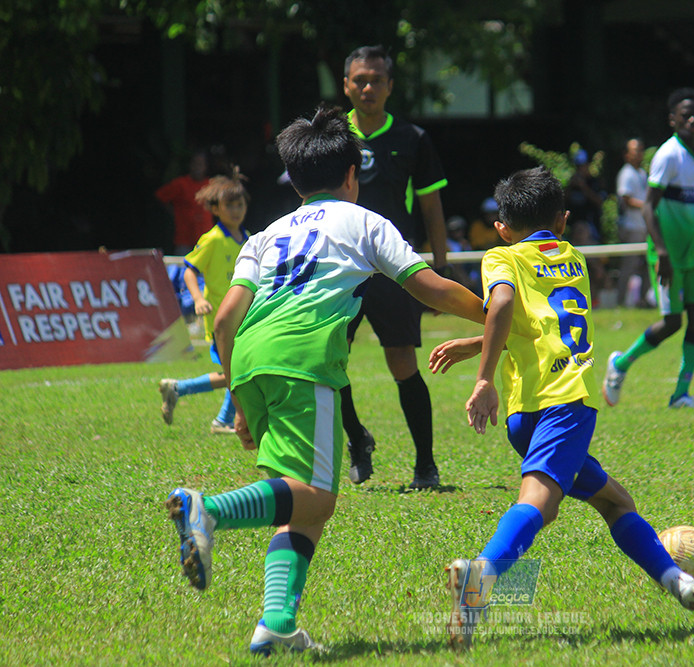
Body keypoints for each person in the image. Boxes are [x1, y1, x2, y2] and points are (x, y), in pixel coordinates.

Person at [165, 106, 485, 656]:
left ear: (295, 183)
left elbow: (223, 321)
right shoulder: (364, 222)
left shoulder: (264, 235)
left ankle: (276, 623)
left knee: (300, 503)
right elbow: (430, 288)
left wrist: (240, 399)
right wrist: (496, 316)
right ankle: (208, 510)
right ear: (351, 176)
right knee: (316, 496)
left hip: (252, 359)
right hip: (304, 361)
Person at [428, 167, 694, 650]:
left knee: (614, 501)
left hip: (525, 416)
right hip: (567, 406)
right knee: (538, 505)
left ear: (501, 226)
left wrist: (479, 349)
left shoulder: (501, 254)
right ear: (562, 220)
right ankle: (481, 578)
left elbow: (510, 312)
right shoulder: (574, 257)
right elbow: (516, 311)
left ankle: (682, 587)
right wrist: (483, 377)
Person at [339, 44, 451, 489]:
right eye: (359, 80)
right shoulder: (330, 135)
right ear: (346, 84)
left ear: (390, 86)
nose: (368, 88)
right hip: (340, 267)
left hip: (392, 265)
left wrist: (439, 267)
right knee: (327, 361)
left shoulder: (412, 139)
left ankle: (425, 464)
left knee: (402, 361)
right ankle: (356, 438)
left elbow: (431, 206)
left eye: (376, 80)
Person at [602, 88, 694, 409]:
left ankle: (680, 394)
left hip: (692, 250)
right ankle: (620, 364)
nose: (692, 119)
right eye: (685, 114)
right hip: (666, 252)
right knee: (672, 322)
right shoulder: (668, 155)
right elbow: (649, 207)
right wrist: (662, 252)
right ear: (672, 120)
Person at [159, 168, 249, 434]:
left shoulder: (249, 240)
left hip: (243, 317)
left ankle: (181, 391)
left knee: (238, 370)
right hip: (220, 320)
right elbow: (189, 270)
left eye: (240, 204)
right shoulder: (212, 240)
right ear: (215, 209)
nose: (236, 210)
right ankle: (219, 418)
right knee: (238, 372)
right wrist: (197, 299)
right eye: (229, 205)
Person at [156, 150, 213, 256]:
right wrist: (174, 213)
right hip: (184, 239)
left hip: (205, 238)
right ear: (190, 165)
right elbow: (160, 196)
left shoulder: (211, 185)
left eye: (201, 164)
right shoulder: (180, 183)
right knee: (181, 268)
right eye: (195, 163)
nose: (197, 167)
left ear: (206, 167)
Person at [615, 138, 650, 306]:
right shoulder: (626, 173)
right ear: (627, 154)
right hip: (631, 227)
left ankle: (642, 300)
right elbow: (626, 200)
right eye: (635, 150)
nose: (638, 154)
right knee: (628, 267)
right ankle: (620, 302)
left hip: (644, 226)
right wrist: (647, 206)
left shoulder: (642, 173)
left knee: (647, 265)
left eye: (640, 150)